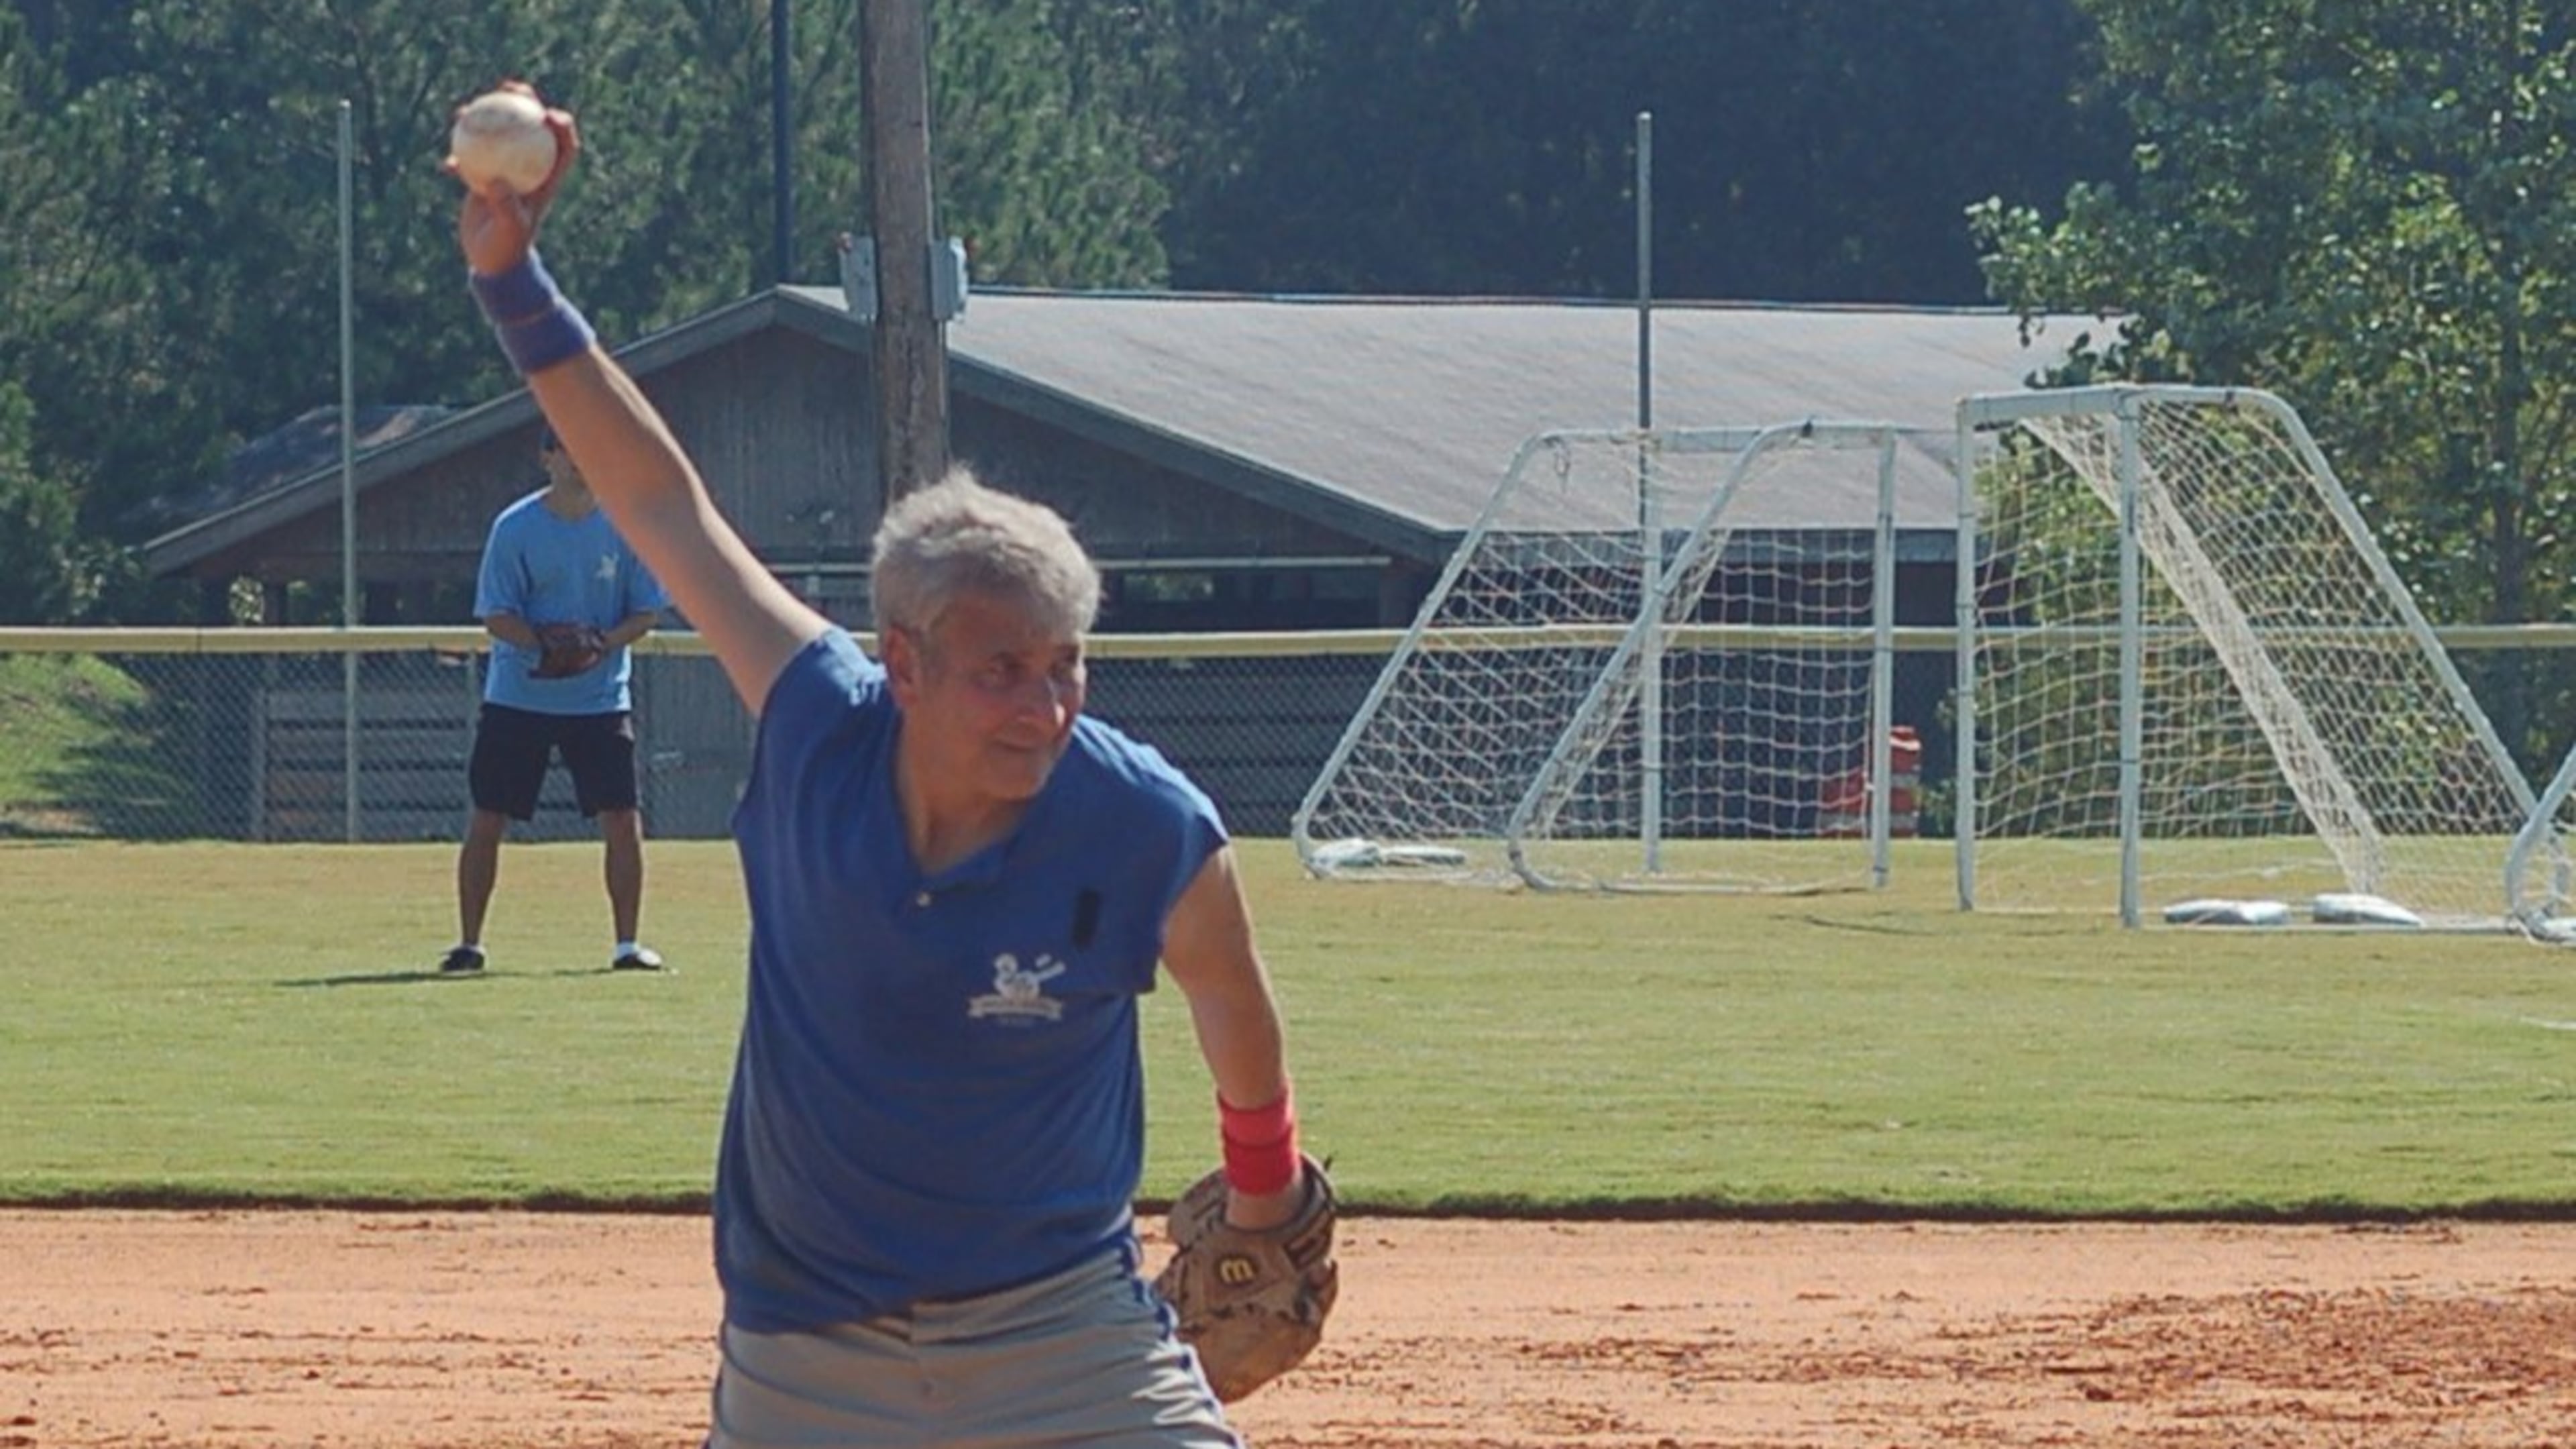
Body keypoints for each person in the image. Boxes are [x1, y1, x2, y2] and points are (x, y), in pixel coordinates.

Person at [451, 86, 1316, 1446]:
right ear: (903, 665)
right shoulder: (816, 725)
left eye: (1065, 664)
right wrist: (515, 285)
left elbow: (1233, 1003)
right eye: (1002, 670)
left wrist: (1263, 1188)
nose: (1046, 704)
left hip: (1067, 1341)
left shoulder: (1141, 820)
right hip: (807, 1357)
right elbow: (659, 497)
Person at [441, 425, 672, 975]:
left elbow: (646, 611)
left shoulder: (626, 524)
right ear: (547, 457)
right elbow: (496, 613)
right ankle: (469, 943)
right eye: (567, 450)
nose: (580, 463)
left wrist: (599, 645)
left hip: (599, 701)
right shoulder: (516, 528)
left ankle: (626, 945)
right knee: (490, 816)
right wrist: (547, 643)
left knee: (620, 816)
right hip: (520, 697)